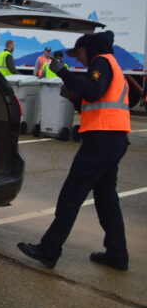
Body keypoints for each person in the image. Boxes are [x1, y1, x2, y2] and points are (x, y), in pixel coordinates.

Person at [18, 31, 131, 270]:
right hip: (113, 138)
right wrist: (73, 97)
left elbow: (93, 91)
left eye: (78, 53)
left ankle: (49, 250)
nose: (78, 59)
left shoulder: (101, 61)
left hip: (101, 140)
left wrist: (64, 73)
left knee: (72, 194)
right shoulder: (111, 64)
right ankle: (117, 255)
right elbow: (95, 99)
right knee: (106, 198)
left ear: (89, 48)